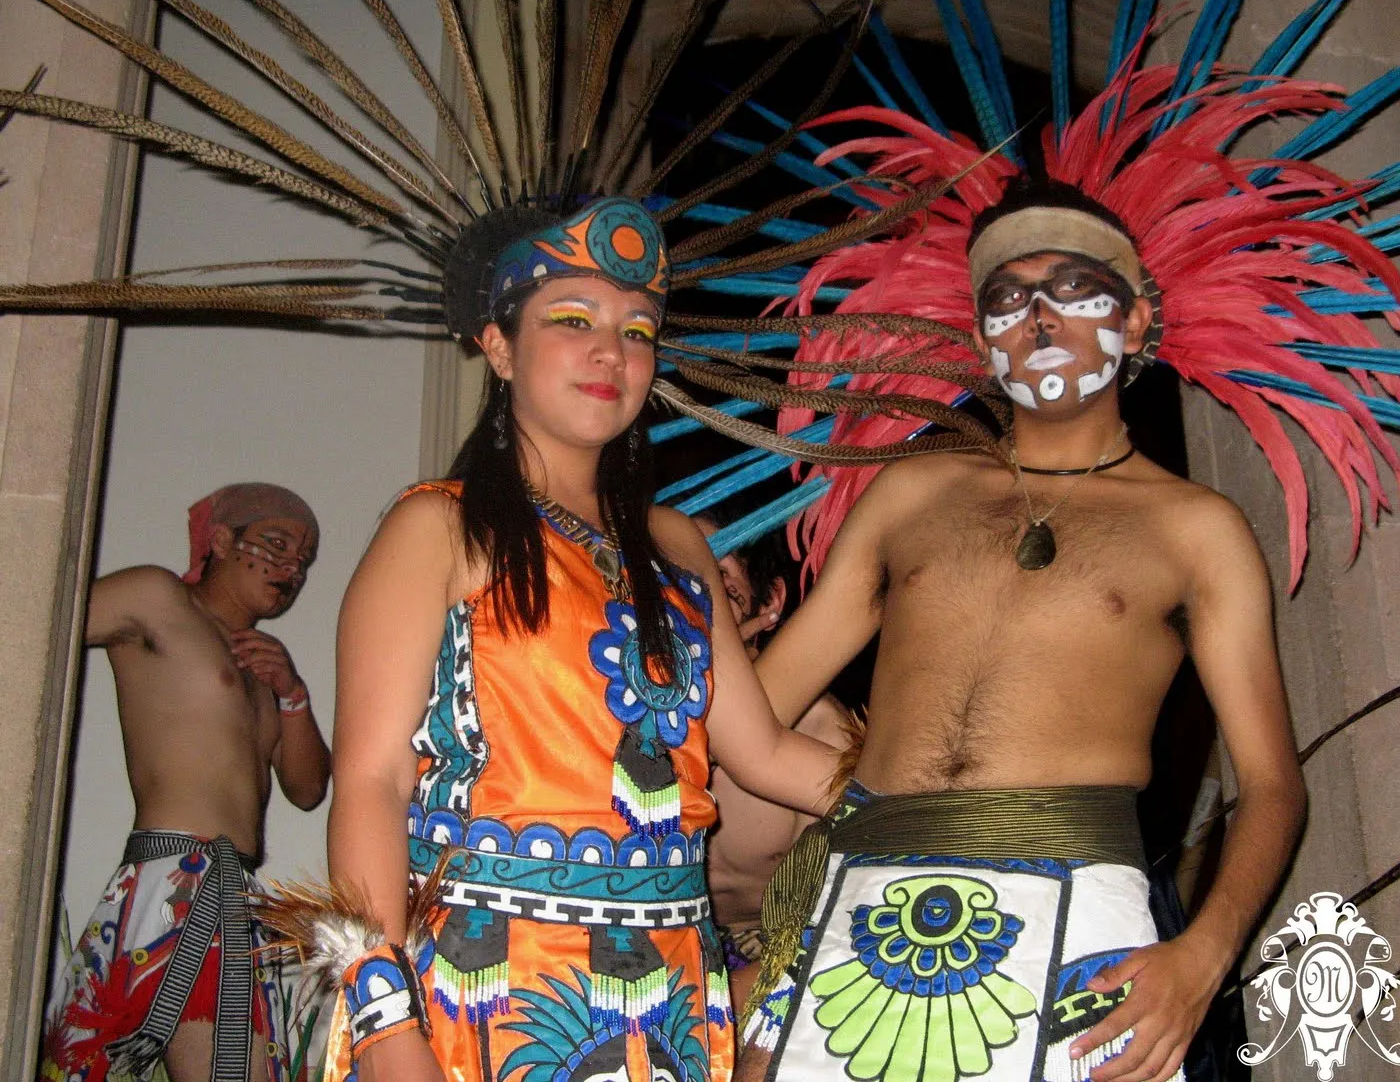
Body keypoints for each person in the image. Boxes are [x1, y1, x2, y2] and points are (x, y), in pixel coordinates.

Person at [737, 180, 1307, 1082]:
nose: (1038, 316)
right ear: (978, 337)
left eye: (1073, 287)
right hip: (856, 909)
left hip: (1083, 916)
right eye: (1007, 297)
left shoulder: (1197, 529)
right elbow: (755, 709)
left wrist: (1202, 959)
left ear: (1140, 319)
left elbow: (1273, 785)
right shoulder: (911, 493)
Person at [303, 196, 844, 1082]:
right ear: (500, 346)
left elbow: (768, 753)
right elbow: (370, 779)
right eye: (573, 321)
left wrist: (942, 799)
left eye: (638, 331)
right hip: (484, 988)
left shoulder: (676, 545)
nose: (612, 352)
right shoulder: (438, 529)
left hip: (669, 998)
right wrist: (383, 1020)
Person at [41, 483, 330, 1082]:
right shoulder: (159, 599)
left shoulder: (262, 665)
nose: (289, 569)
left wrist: (293, 694)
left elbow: (308, 789)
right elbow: (38, 608)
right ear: (221, 541)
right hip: (168, 874)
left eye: (301, 561)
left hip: (232, 892)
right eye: (275, 545)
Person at [692, 512, 857, 1013]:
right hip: (638, 943)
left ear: (770, 603)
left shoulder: (819, 734)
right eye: (674, 567)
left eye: (719, 565)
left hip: (765, 955)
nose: (695, 580)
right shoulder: (609, 711)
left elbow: (837, 915)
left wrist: (715, 1008)